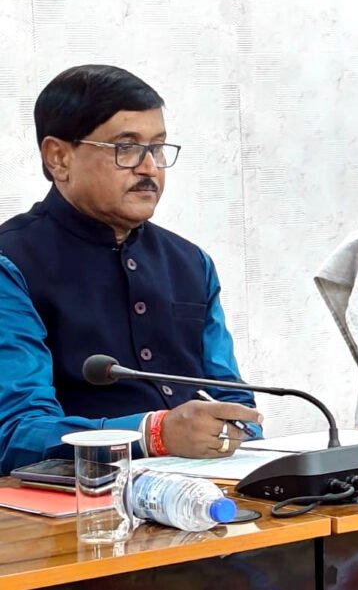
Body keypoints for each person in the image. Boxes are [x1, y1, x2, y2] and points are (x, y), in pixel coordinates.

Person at [0, 65, 261, 474]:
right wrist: (150, 435)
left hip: (207, 491)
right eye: (126, 148)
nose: (149, 168)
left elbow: (235, 401)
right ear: (59, 158)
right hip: (80, 499)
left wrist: (233, 429)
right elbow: (17, 433)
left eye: (157, 148)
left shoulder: (191, 263)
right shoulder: (12, 262)